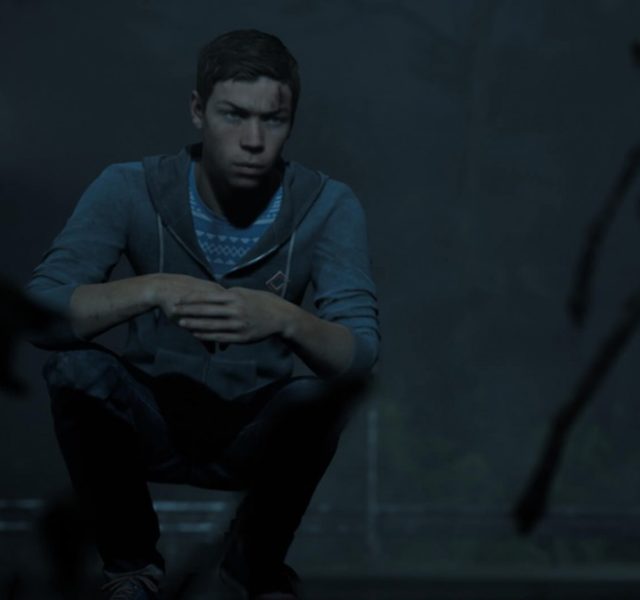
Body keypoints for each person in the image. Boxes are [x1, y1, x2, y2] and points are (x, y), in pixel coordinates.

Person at [26, 29, 379, 600]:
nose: (254, 140)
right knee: (76, 370)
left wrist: (285, 318)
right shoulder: (129, 187)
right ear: (198, 111)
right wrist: (153, 288)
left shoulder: (329, 204)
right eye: (234, 115)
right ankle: (131, 567)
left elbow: (359, 355)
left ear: (292, 121)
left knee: (319, 399)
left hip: (252, 430)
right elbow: (39, 314)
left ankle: (253, 566)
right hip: (151, 418)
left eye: (273, 120)